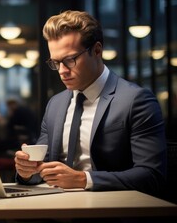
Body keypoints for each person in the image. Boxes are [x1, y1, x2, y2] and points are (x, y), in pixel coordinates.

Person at [14, 10, 167, 198]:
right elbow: (41, 169)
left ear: (97, 50)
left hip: (110, 212)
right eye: (56, 62)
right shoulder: (55, 104)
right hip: (55, 208)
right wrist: (27, 171)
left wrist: (83, 179)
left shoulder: (136, 100)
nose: (62, 71)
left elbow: (152, 176)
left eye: (70, 60)